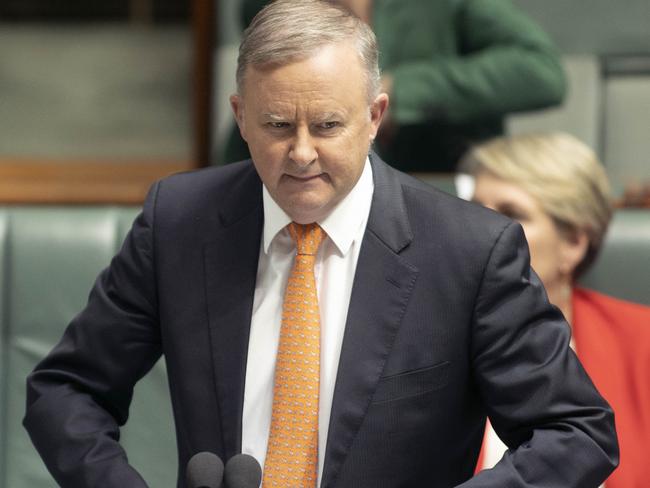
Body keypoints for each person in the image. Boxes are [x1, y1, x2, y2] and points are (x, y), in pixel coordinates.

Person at [24, 2, 617, 487]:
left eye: (328, 126)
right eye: (278, 126)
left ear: (374, 115)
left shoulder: (469, 249)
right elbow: (66, 390)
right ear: (241, 115)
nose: (302, 154)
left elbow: (575, 432)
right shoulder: (179, 221)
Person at [462, 132, 650, 487]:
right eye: (473, 208)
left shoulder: (642, 342)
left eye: (511, 214)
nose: (479, 229)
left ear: (574, 244)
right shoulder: (425, 329)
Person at [224, 0, 566, 173]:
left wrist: (405, 92)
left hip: (435, 174)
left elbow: (542, 71)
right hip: (302, 174)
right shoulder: (264, 4)